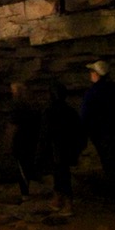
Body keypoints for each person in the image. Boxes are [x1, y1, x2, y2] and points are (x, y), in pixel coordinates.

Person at [81, 60, 115, 211]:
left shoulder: (92, 92)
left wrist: (84, 132)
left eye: (92, 72)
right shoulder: (114, 89)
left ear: (97, 74)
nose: (90, 74)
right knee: (113, 165)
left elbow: (86, 115)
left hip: (100, 134)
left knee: (109, 165)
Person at [38, 82, 84, 215]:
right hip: (68, 148)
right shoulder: (70, 111)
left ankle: (68, 204)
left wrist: (40, 152)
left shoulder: (49, 111)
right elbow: (79, 131)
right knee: (61, 174)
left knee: (62, 175)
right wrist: (78, 148)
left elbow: (44, 134)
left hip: (55, 150)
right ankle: (58, 199)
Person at [8, 82, 40, 202]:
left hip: (20, 140)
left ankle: (25, 194)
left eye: (13, 90)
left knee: (22, 167)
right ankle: (27, 190)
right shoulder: (34, 105)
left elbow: (13, 126)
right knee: (28, 164)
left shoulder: (17, 106)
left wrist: (8, 140)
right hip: (32, 139)